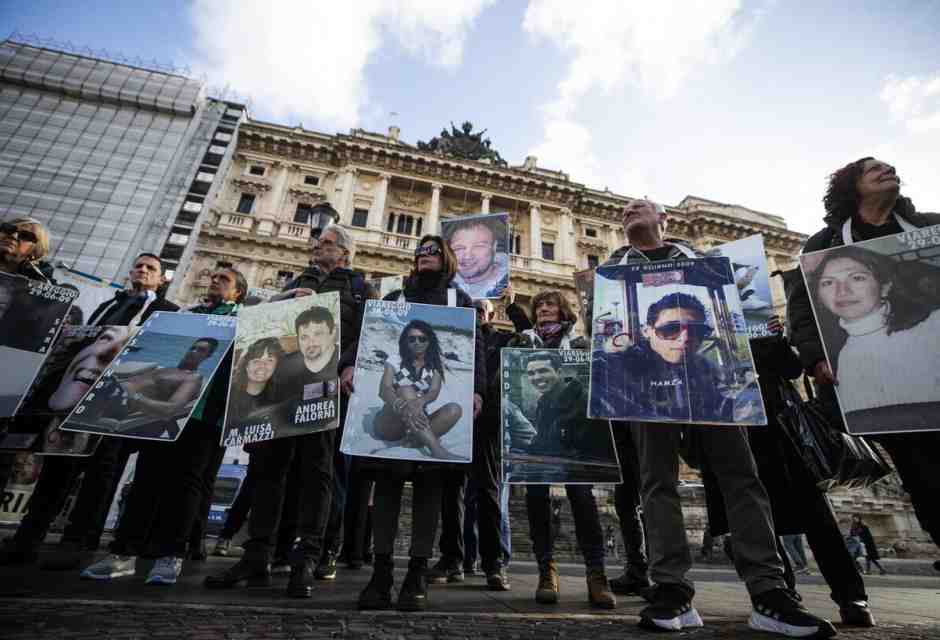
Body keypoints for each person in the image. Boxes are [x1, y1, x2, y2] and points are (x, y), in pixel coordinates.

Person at [603, 198, 834, 636]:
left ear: (663, 221)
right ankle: (671, 589)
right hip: (647, 385)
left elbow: (740, 321)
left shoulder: (706, 262)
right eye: (626, 209)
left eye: (641, 207)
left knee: (741, 478)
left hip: (715, 381)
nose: (631, 211)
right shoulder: (612, 271)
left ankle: (769, 591)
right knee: (657, 482)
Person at [205, 224, 372, 599]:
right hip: (281, 387)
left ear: (343, 252)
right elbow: (259, 324)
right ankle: (257, 555)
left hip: (324, 388)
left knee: (318, 472)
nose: (318, 247)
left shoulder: (360, 288)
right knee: (267, 471)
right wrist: (285, 298)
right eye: (318, 243)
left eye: (326, 244)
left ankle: (306, 559)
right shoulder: (298, 280)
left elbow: (368, 333)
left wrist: (349, 365)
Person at [787, 157, 940, 565]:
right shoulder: (824, 243)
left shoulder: (930, 226)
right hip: (876, 386)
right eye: (874, 168)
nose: (887, 169)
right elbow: (802, 309)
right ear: (851, 185)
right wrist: (815, 356)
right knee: (921, 473)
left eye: (891, 166)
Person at [0, 253, 179, 569]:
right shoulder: (109, 304)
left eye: (151, 268)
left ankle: (80, 541)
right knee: (58, 467)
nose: (143, 270)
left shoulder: (168, 311)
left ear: (162, 278)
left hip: (117, 401)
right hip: (78, 396)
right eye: (139, 265)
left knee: (102, 472)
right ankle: (29, 537)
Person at [702, 314, 875, 627]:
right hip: (731, 426)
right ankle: (782, 591)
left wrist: (775, 338)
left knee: (817, 515)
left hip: (782, 431)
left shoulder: (757, 322)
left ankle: (851, 595)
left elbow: (792, 369)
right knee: (752, 514)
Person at [80, 267, 244, 584]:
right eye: (213, 277)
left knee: (187, 486)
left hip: (204, 417)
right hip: (160, 422)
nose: (214, 281)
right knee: (146, 479)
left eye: (224, 280)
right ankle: (124, 552)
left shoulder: (244, 321)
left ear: (238, 293)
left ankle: (170, 555)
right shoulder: (187, 315)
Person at [357, 234, 485, 612]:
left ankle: (415, 572)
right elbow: (369, 351)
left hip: (417, 418)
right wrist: (349, 364)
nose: (424, 255)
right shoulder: (394, 297)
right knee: (388, 489)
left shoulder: (459, 301)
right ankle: (380, 572)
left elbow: (474, 350)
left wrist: (477, 390)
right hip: (390, 416)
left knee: (431, 488)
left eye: (432, 251)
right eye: (420, 252)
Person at [508, 290, 616, 610]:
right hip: (544, 446)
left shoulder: (581, 346)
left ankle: (597, 574)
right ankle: (546, 571)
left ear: (564, 311)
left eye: (549, 304)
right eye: (538, 305)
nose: (543, 309)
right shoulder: (521, 343)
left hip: (576, 445)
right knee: (536, 499)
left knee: (583, 501)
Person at [804, 245, 940, 430]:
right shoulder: (838, 357)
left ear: (885, 286)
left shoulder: (933, 324)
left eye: (857, 278)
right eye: (828, 282)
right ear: (818, 297)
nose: (842, 291)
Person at [591, 291, 731, 423]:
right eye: (671, 329)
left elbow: (719, 407)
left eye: (697, 330)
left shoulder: (702, 369)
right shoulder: (612, 366)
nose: (685, 338)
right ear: (647, 331)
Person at [371, 320, 463, 459]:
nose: (417, 342)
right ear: (405, 342)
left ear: (429, 341)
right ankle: (436, 449)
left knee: (454, 409)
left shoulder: (435, 365)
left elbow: (433, 392)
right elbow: (384, 389)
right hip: (390, 423)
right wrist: (399, 404)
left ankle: (413, 441)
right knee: (406, 390)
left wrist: (419, 402)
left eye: (422, 338)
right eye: (412, 339)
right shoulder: (395, 360)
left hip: (416, 424)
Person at [444, 217, 508, 299]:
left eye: (478, 247)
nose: (467, 256)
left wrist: (508, 305)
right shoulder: (443, 281)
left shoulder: (504, 280)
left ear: (494, 247)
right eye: (459, 248)